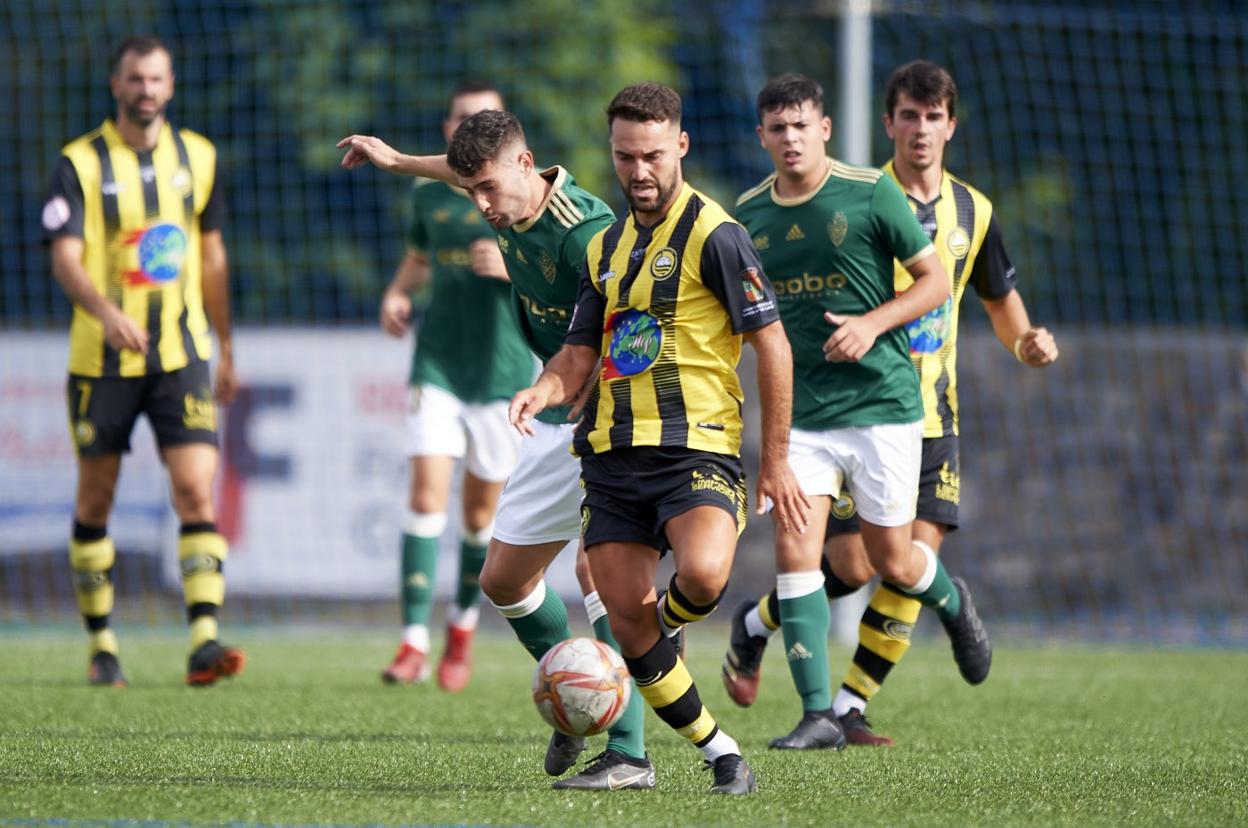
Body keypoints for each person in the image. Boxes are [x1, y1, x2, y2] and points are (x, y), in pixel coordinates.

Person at [723, 62, 1059, 746]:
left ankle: (866, 679)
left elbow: (985, 296)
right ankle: (821, 710)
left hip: (912, 409)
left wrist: (1023, 343)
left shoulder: (962, 209)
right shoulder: (760, 213)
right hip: (813, 412)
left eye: (934, 116)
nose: (922, 129)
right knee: (822, 559)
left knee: (897, 562)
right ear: (889, 124)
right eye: (910, 115)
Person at [509, 82, 809, 796]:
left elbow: (774, 346)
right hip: (610, 457)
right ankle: (720, 754)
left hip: (695, 449)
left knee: (703, 577)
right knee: (625, 619)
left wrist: (775, 461)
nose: (638, 172)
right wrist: (543, 390)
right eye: (623, 157)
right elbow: (578, 353)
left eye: (650, 156)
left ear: (680, 147)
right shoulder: (606, 248)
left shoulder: (718, 235)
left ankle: (656, 636)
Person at [339, 112, 652, 790]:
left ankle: (626, 750)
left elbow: (622, 333)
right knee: (504, 581)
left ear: (525, 163)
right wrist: (394, 161)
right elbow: (456, 173)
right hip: (557, 411)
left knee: (601, 572)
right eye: (471, 190)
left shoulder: (583, 233)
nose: (479, 205)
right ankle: (580, 706)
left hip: (608, 413)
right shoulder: (509, 197)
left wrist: (569, 389)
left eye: (486, 188)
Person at [42, 36, 243, 687]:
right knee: (96, 498)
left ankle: (205, 641)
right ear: (116, 85)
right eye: (136, 79)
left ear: (171, 85)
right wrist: (108, 314)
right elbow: (65, 256)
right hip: (101, 360)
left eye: (156, 79)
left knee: (193, 488)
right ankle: (102, 646)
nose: (147, 90)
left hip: (181, 354)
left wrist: (225, 345)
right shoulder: (80, 163)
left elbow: (211, 256)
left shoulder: (200, 157)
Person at [377, 82, 534, 692]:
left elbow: (560, 279)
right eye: (465, 120)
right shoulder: (429, 195)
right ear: (448, 129)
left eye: (487, 119)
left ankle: (461, 632)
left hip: (502, 375)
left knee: (478, 517)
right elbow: (419, 260)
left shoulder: (523, 198)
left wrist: (510, 267)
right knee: (424, 495)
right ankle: (412, 643)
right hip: (437, 364)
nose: (474, 128)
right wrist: (396, 292)